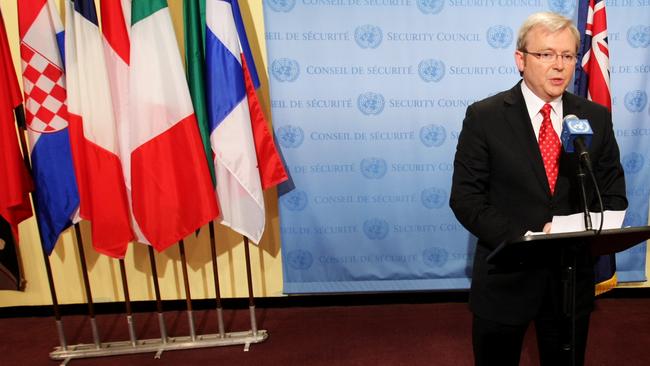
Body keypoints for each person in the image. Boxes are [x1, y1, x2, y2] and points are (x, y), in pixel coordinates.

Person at [449, 11, 627, 366]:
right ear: (521, 59)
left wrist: (585, 229)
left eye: (567, 55)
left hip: (570, 281)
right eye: (546, 54)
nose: (558, 66)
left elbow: (613, 193)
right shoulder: (484, 117)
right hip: (507, 276)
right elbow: (466, 199)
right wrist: (528, 237)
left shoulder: (594, 116)